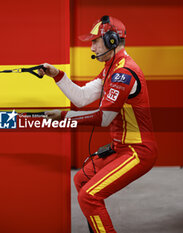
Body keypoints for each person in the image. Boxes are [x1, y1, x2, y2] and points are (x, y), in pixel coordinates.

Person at [38, 15, 158, 233]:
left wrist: (64, 117)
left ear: (112, 40)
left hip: (138, 151)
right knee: (82, 179)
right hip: (120, 148)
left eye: (95, 41)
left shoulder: (123, 72)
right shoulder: (111, 68)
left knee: (89, 197)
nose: (92, 47)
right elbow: (81, 98)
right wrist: (56, 75)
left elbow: (104, 118)